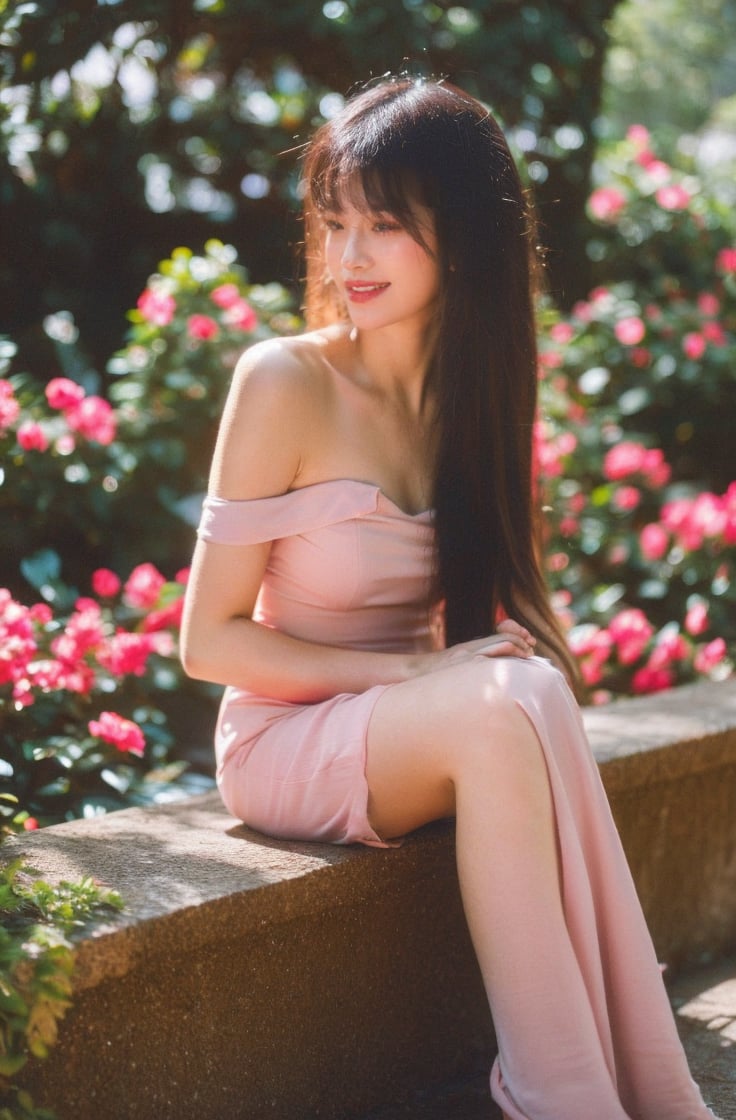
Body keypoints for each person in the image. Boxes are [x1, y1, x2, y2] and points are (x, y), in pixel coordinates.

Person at [180, 77, 717, 1120]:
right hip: (282, 742)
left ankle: (642, 1091)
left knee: (530, 690)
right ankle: (564, 1096)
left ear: (462, 239)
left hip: (408, 725)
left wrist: (462, 665)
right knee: (500, 705)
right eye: (336, 221)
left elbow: (484, 634)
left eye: (384, 226)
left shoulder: (474, 394)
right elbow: (208, 642)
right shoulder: (282, 380)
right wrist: (416, 671)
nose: (348, 258)